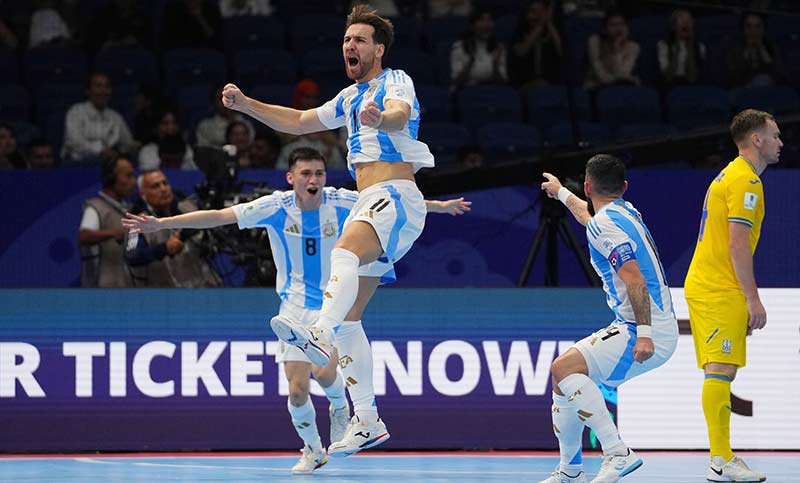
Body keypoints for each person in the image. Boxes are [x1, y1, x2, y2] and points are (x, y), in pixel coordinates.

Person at [122, 147, 470, 472]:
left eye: (319, 173)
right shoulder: (276, 206)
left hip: (334, 307)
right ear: (291, 178)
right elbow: (219, 216)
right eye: (306, 173)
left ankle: (339, 407)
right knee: (297, 390)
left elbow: (393, 205)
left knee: (323, 374)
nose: (314, 180)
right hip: (293, 308)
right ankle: (313, 450)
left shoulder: (343, 200)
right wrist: (163, 224)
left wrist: (440, 207)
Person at [539, 154, 678, 483]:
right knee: (562, 380)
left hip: (645, 329)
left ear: (588, 186)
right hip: (641, 325)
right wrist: (560, 192)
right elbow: (590, 218)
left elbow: (634, 279)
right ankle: (570, 471)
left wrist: (644, 334)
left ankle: (617, 453)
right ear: (624, 187)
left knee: (563, 369)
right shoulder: (623, 212)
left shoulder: (607, 223)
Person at [684, 109, 780, 482]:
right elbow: (738, 244)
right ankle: (721, 460)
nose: (780, 142)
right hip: (718, 286)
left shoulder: (729, 175)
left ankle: (720, 458)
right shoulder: (745, 182)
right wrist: (752, 299)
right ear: (756, 139)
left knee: (720, 370)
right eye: (774, 135)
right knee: (720, 370)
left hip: (712, 284)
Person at [125, 170, 221, 288]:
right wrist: (164, 248)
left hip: (205, 286)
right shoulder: (139, 222)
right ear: (143, 195)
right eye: (156, 186)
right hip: (166, 293)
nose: (163, 189)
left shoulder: (188, 207)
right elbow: (133, 256)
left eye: (165, 183)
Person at [80, 157, 136, 287]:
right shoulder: (95, 208)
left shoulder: (127, 208)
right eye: (128, 176)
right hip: (102, 287)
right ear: (111, 178)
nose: (133, 182)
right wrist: (113, 233)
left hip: (125, 284)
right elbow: (84, 236)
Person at [62, 72, 136, 164]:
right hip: (79, 166)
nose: (103, 91)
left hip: (108, 166)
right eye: (98, 86)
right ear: (88, 91)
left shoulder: (116, 117)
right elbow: (74, 143)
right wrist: (101, 151)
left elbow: (128, 144)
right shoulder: (76, 112)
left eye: (107, 86)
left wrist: (130, 148)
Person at [508, 0, 563, 89]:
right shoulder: (520, 32)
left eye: (541, 12)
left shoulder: (553, 31)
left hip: (551, 84)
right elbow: (521, 51)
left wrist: (549, 23)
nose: (537, 15)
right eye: (533, 11)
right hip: (524, 84)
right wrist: (540, 25)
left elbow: (562, 52)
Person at [450, 7, 507, 91]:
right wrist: (470, 62)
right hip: (467, 92)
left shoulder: (499, 48)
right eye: (481, 20)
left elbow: (503, 82)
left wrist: (495, 65)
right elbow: (456, 82)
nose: (486, 24)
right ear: (472, 26)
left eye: (489, 20)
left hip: (491, 92)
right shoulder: (459, 47)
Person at [584, 10, 640, 90]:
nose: (618, 28)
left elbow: (622, 74)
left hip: (622, 88)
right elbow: (600, 74)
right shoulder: (594, 41)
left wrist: (616, 49)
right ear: (605, 28)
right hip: (597, 87)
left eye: (622, 24)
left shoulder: (633, 47)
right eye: (613, 25)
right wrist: (616, 81)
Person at [726, 12, 783, 88]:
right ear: (743, 29)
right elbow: (734, 77)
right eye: (749, 26)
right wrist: (747, 51)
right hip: (741, 91)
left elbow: (778, 75)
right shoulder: (735, 48)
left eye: (758, 26)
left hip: (769, 92)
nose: (753, 31)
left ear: (764, 29)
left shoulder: (772, 47)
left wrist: (762, 50)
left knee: (764, 80)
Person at [657, 8, 706, 89]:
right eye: (681, 19)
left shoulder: (700, 47)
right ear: (673, 25)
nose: (685, 23)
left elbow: (692, 78)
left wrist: (690, 47)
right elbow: (668, 76)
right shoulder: (663, 45)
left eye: (689, 20)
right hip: (670, 85)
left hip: (692, 85)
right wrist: (676, 50)